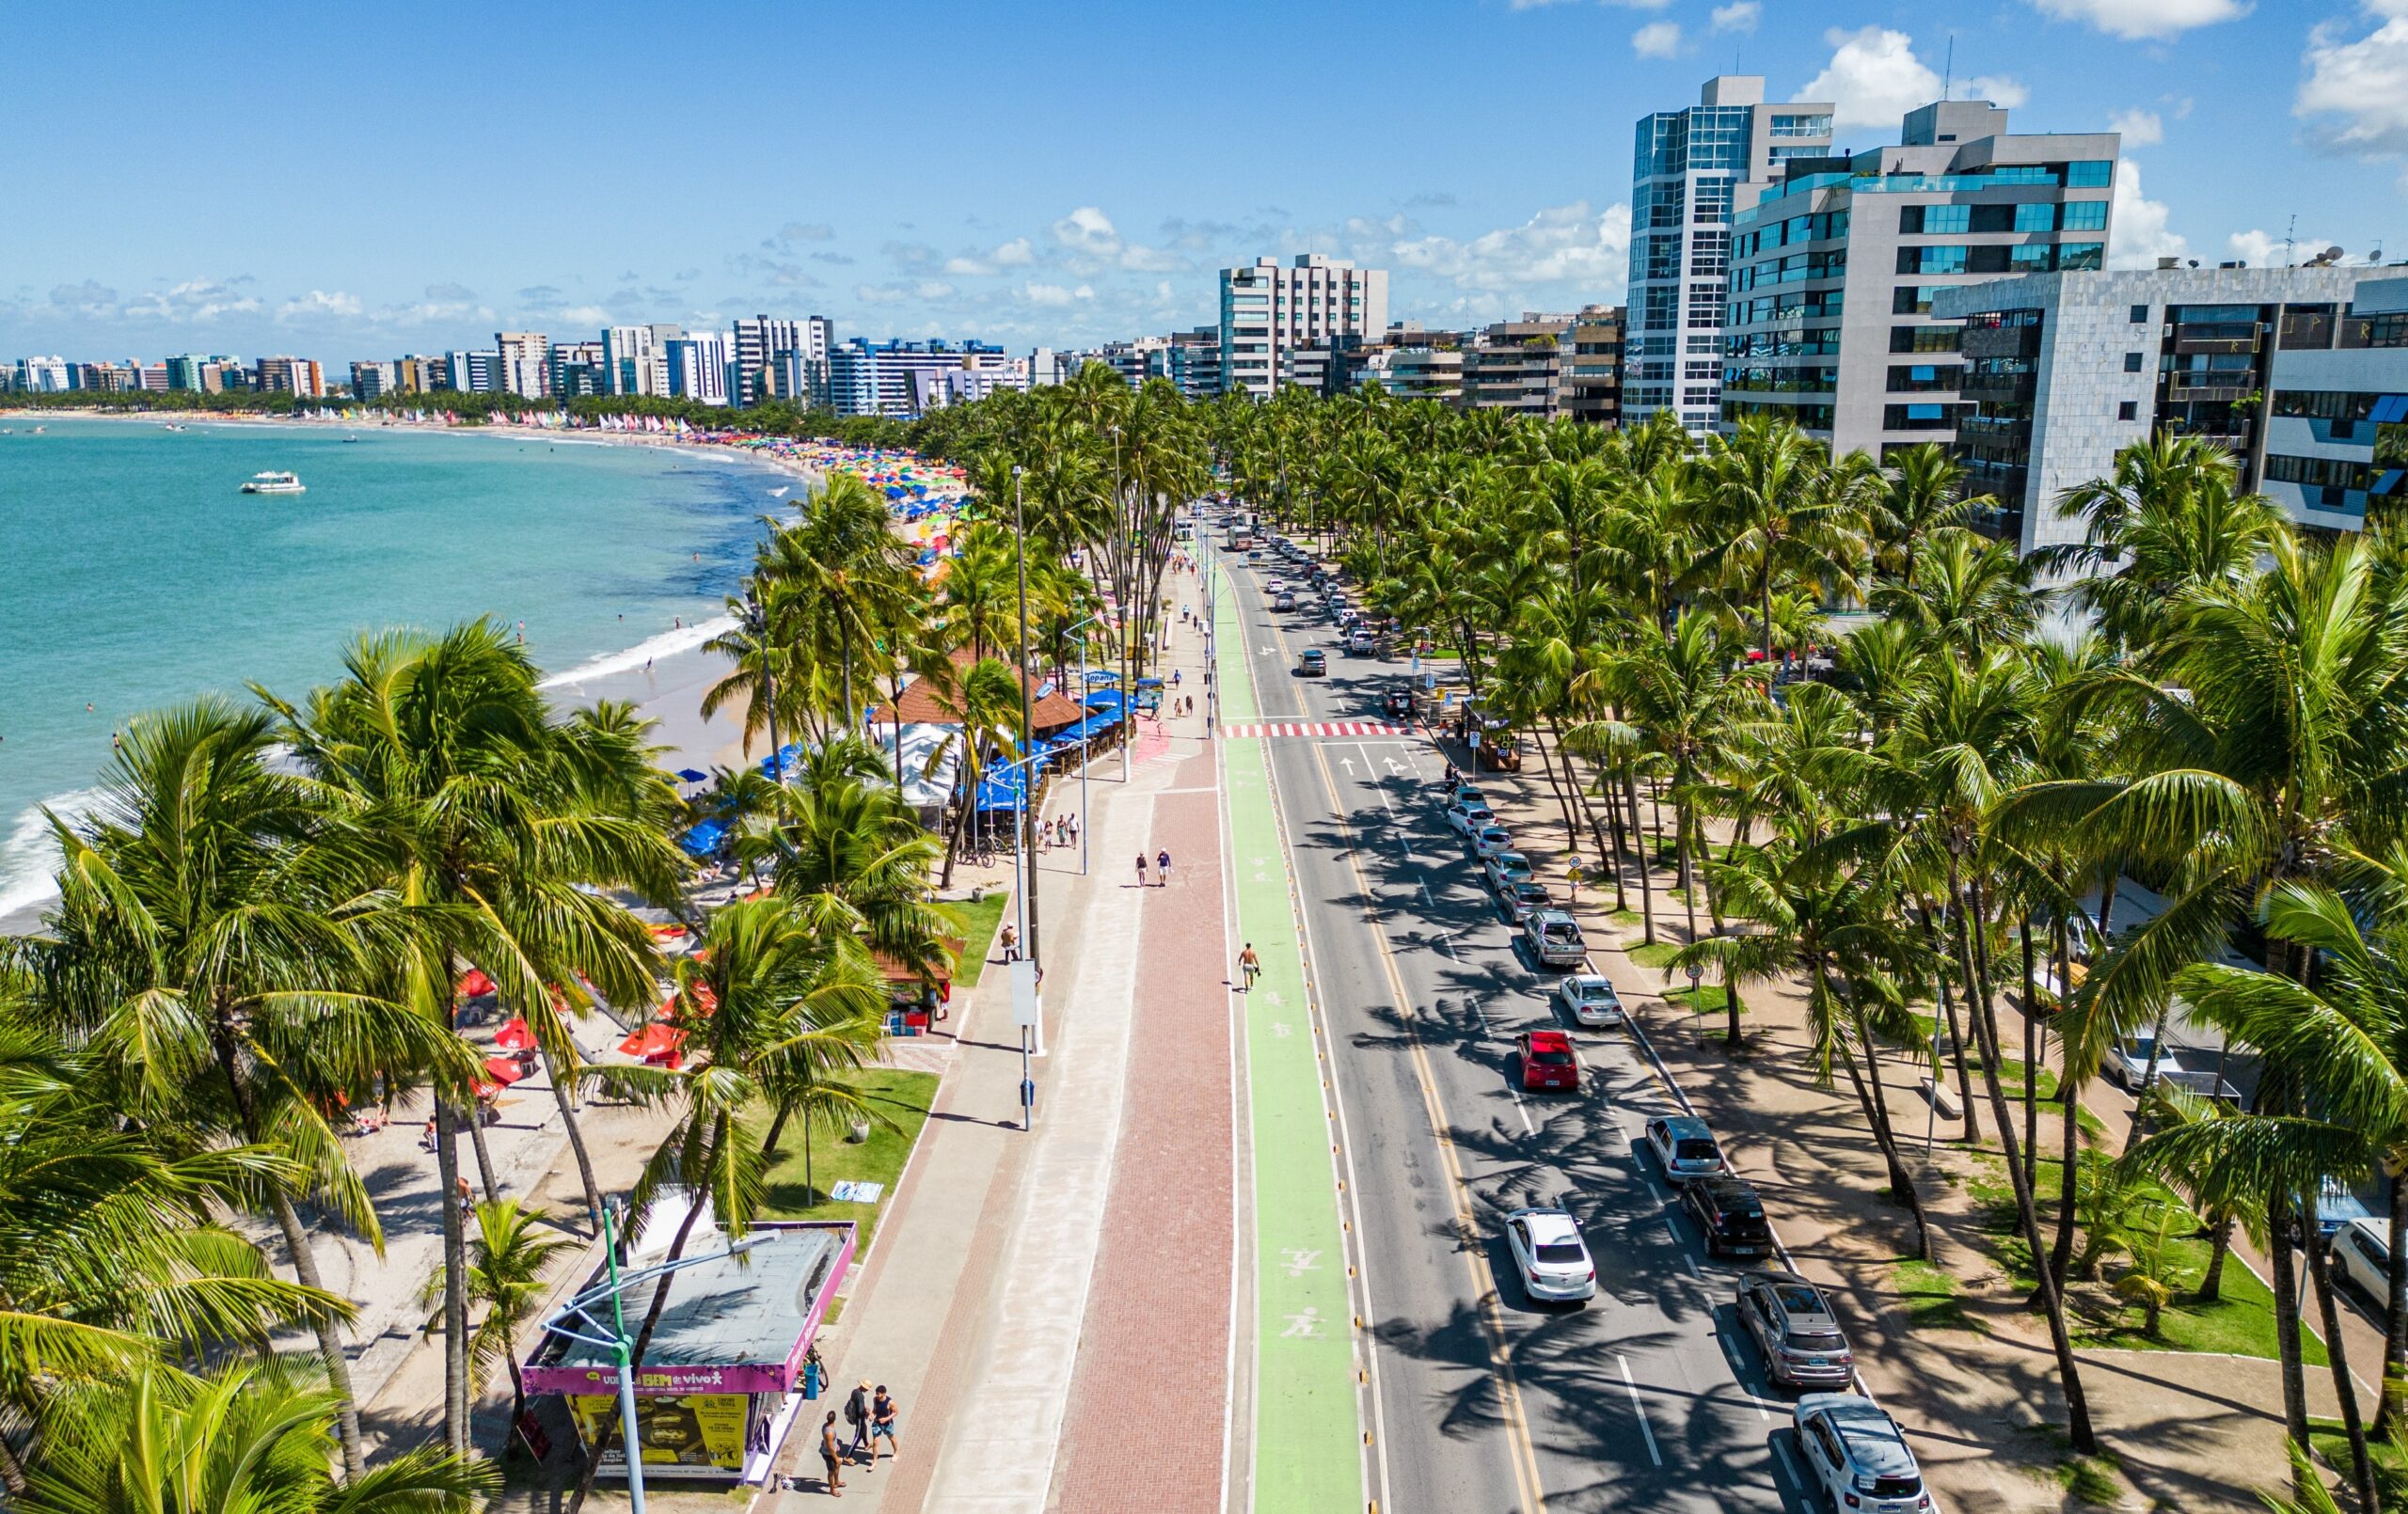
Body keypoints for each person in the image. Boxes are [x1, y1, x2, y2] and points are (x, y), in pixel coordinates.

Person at [869, 1384, 898, 1467]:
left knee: (891, 1438)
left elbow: (896, 1412)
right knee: (875, 1442)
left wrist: (886, 1419)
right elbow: (874, 1410)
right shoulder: (875, 1399)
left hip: (887, 1424)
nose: (876, 1395)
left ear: (884, 1393)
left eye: (878, 1394)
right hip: (877, 1423)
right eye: (876, 1393)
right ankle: (874, 1462)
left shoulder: (890, 1402)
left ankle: (896, 1452)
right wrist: (872, 1415)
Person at [818, 1411, 845, 1496]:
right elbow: (830, 1447)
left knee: (838, 1465)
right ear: (835, 1419)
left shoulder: (826, 1425)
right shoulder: (829, 1432)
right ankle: (832, 1490)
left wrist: (836, 1445)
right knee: (831, 1472)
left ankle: (836, 1482)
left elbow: (831, 1442)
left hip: (833, 1450)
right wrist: (836, 1458)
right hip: (829, 1454)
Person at [846, 1380, 872, 1460]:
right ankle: (848, 1456)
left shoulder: (855, 1391)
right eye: (867, 1389)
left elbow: (857, 1404)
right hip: (859, 1418)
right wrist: (866, 1411)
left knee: (864, 1428)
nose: (867, 1390)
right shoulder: (860, 1396)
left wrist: (864, 1407)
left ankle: (866, 1444)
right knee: (858, 1436)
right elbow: (860, 1411)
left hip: (855, 1415)